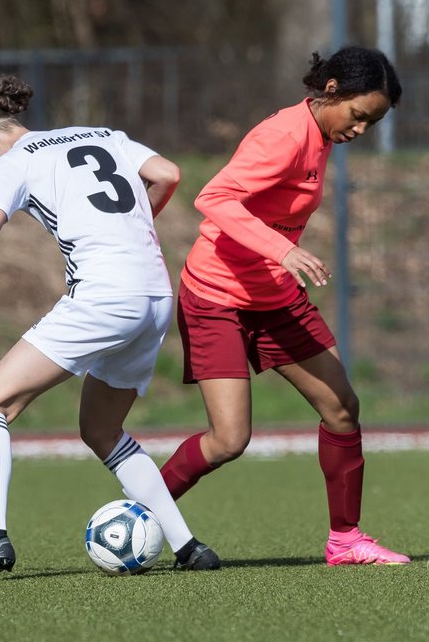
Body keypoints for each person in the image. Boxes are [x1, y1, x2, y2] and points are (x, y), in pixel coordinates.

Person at [0, 74, 221, 578]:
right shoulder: (101, 135)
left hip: (104, 295)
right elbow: (169, 173)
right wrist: (132, 226)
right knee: (101, 429)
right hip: (153, 296)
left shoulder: (15, 160)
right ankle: (190, 547)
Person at [157, 46, 410, 566]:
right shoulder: (284, 136)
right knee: (229, 440)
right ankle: (138, 512)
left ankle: (345, 541)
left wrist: (279, 257)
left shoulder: (323, 133)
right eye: (359, 116)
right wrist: (284, 248)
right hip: (217, 296)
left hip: (275, 296)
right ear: (332, 90)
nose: (361, 131)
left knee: (342, 408)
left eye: (373, 124)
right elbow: (214, 199)